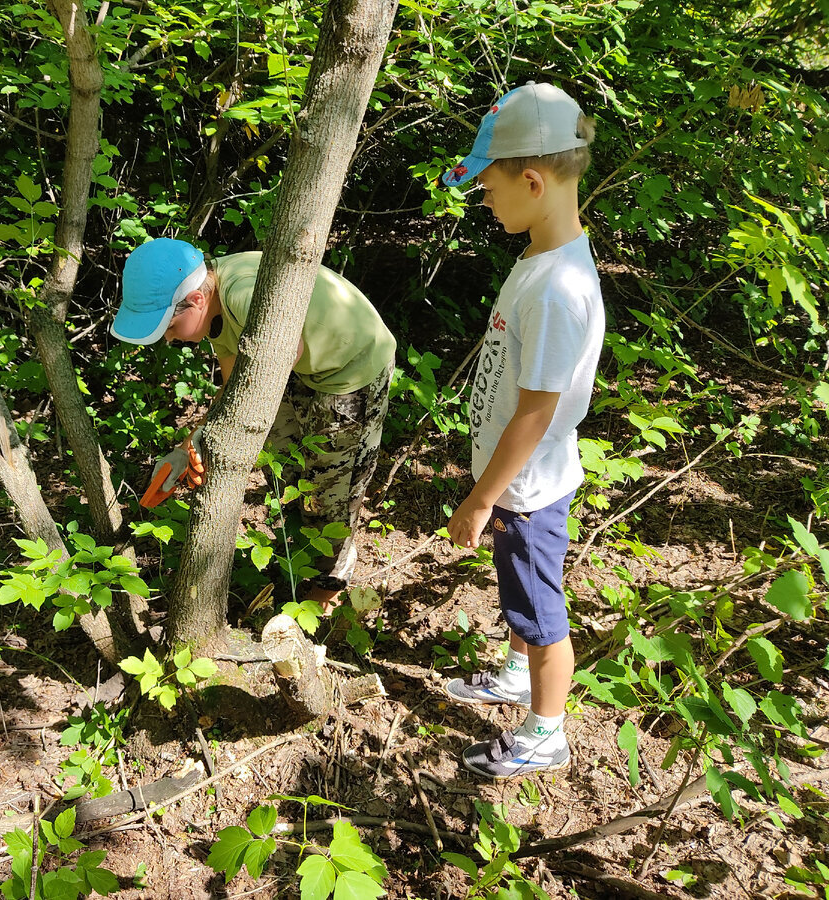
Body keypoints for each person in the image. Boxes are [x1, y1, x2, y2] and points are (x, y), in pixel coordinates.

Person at [439, 82, 604, 779]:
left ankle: (546, 733)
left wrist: (482, 498)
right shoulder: (542, 259)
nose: (483, 199)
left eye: (488, 186)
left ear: (532, 181)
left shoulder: (558, 289)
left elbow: (536, 412)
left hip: (526, 491)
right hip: (521, 484)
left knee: (541, 615)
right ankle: (513, 672)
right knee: (518, 594)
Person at [110, 239, 397, 609]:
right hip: (290, 366)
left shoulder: (244, 296)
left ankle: (325, 593)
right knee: (288, 470)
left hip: (349, 368)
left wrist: (220, 440)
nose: (167, 338)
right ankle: (298, 556)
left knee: (331, 491)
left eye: (168, 326)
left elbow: (265, 378)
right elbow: (235, 387)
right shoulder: (211, 303)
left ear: (196, 300)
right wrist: (191, 445)